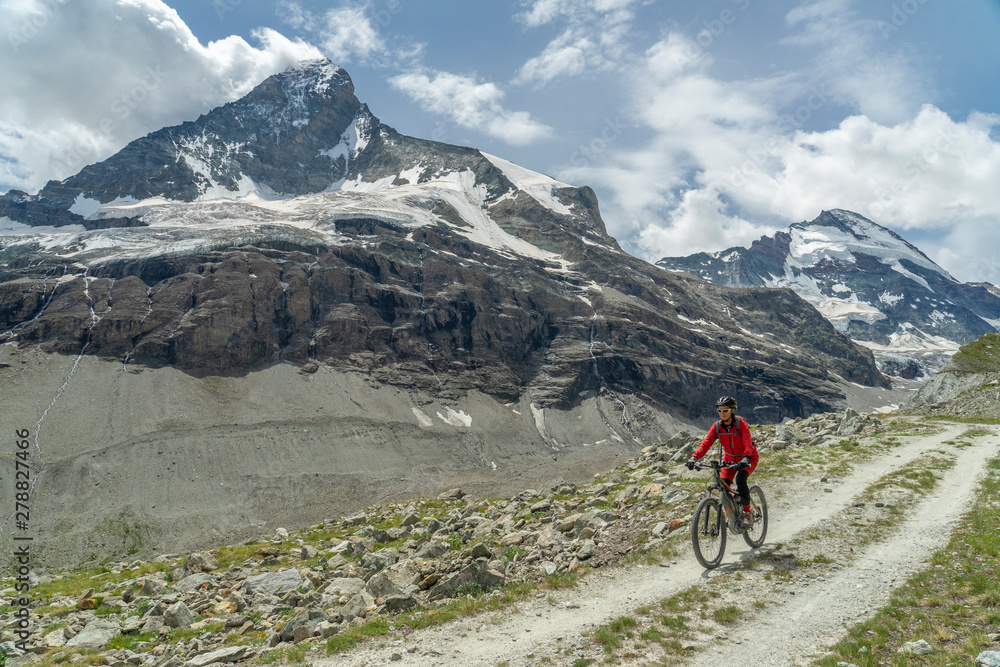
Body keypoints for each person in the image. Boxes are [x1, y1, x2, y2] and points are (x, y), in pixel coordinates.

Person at [686, 396, 759, 526]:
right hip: (729, 459)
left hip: (748, 458)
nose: (722, 414)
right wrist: (694, 457)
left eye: (725, 410)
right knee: (723, 485)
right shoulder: (717, 426)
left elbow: (748, 442)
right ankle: (730, 513)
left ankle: (747, 513)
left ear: (733, 410)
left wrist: (746, 457)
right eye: (719, 410)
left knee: (740, 480)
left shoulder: (741, 424)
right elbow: (706, 443)